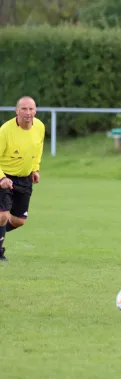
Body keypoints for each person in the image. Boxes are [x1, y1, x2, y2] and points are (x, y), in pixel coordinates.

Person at [0, 96, 45, 261]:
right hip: (5, 176)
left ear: (35, 110)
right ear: (16, 111)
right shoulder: (5, 131)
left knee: (19, 220)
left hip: (25, 179)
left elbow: (38, 147)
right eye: (24, 109)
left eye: (31, 109)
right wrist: (1, 179)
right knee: (2, 215)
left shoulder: (39, 126)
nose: (28, 113)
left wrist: (35, 168)